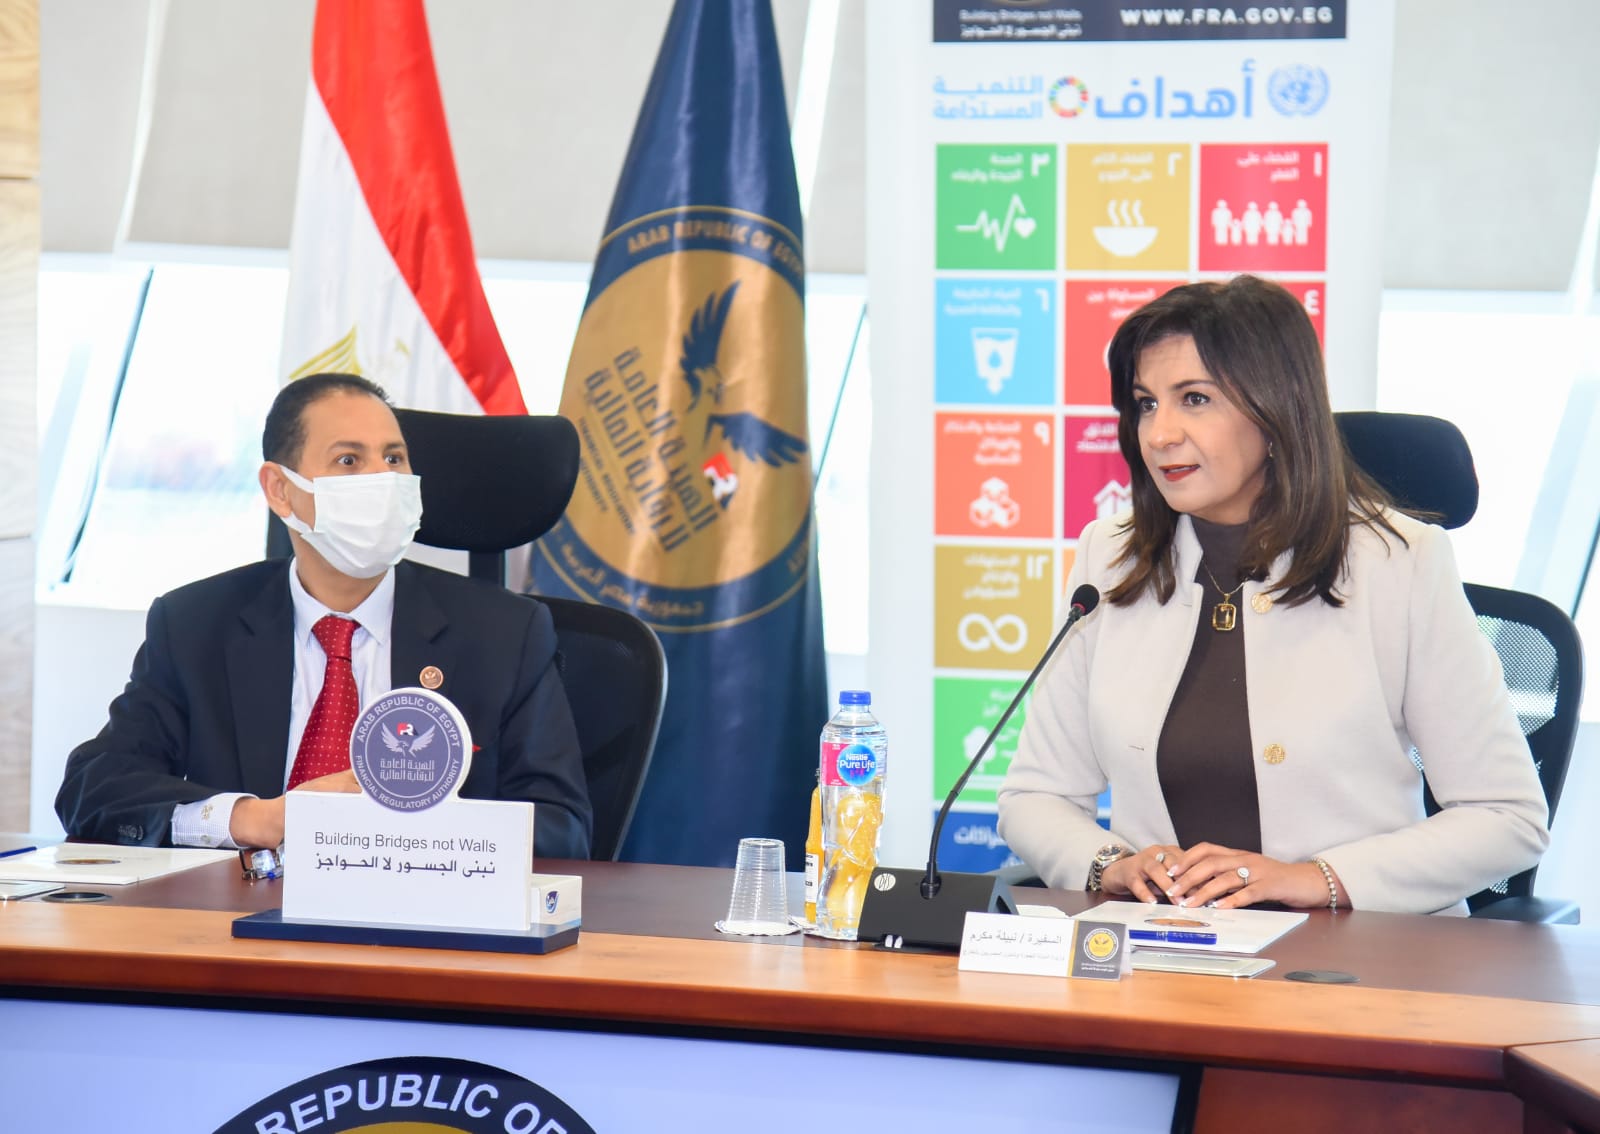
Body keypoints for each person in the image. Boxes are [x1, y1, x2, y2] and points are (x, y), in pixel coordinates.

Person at [997, 276, 1548, 916]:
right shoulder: (1111, 556)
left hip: (1356, 950)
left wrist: (1316, 879)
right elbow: (1036, 795)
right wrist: (1110, 866)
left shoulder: (1399, 562)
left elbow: (1506, 816)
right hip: (1165, 949)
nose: (1159, 434)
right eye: (1146, 404)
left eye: (1194, 399)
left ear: (1276, 410)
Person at [55, 373, 593, 859]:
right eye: (349, 461)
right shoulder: (195, 624)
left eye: (394, 458)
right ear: (281, 490)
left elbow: (563, 829)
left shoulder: (505, 634)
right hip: (241, 918)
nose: (382, 479)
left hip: (428, 923)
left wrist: (407, 835)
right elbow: (94, 789)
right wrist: (252, 819)